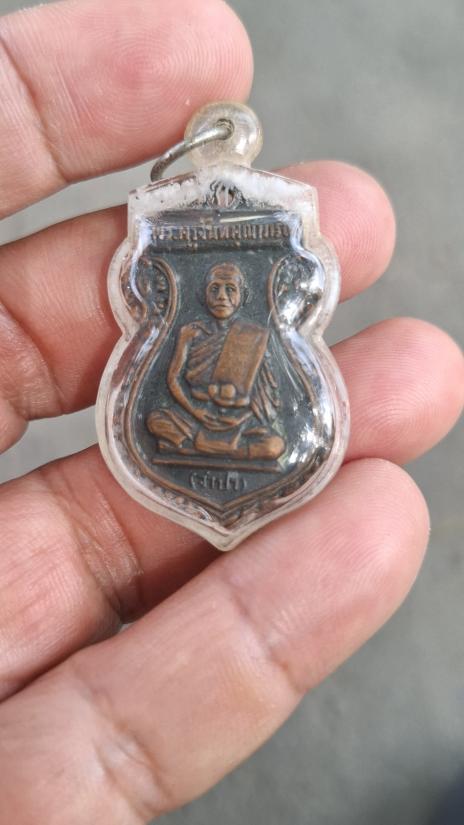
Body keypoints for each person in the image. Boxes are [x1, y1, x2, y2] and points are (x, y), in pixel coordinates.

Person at [0, 0, 462, 823]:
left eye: (224, 288)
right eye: (210, 288)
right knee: (168, 423)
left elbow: (264, 399)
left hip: (244, 435)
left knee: (267, 438)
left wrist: (233, 412)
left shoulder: (254, 335)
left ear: (236, 290)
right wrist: (189, 406)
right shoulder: (183, 333)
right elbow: (172, 387)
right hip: (188, 429)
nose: (217, 294)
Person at [147, 262, 285, 460]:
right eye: (214, 289)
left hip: (240, 421)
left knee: (275, 446)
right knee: (154, 420)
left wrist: (243, 416)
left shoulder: (254, 335)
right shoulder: (190, 332)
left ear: (243, 295)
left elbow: (265, 395)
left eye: (230, 289)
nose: (221, 296)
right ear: (203, 295)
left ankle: (191, 447)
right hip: (196, 417)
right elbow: (173, 379)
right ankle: (229, 450)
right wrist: (195, 411)